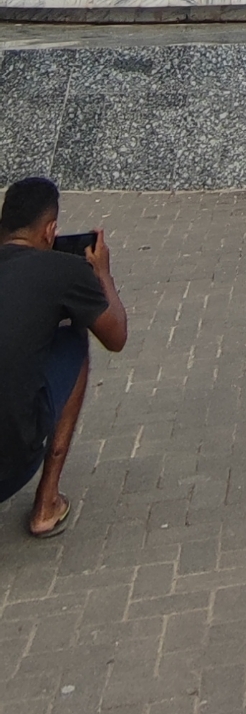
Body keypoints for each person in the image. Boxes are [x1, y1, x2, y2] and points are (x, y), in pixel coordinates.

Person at [0, 177, 128, 539]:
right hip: (9, 470)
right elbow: (116, 337)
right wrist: (102, 273)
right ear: (51, 231)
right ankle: (46, 505)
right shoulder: (64, 272)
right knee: (75, 337)